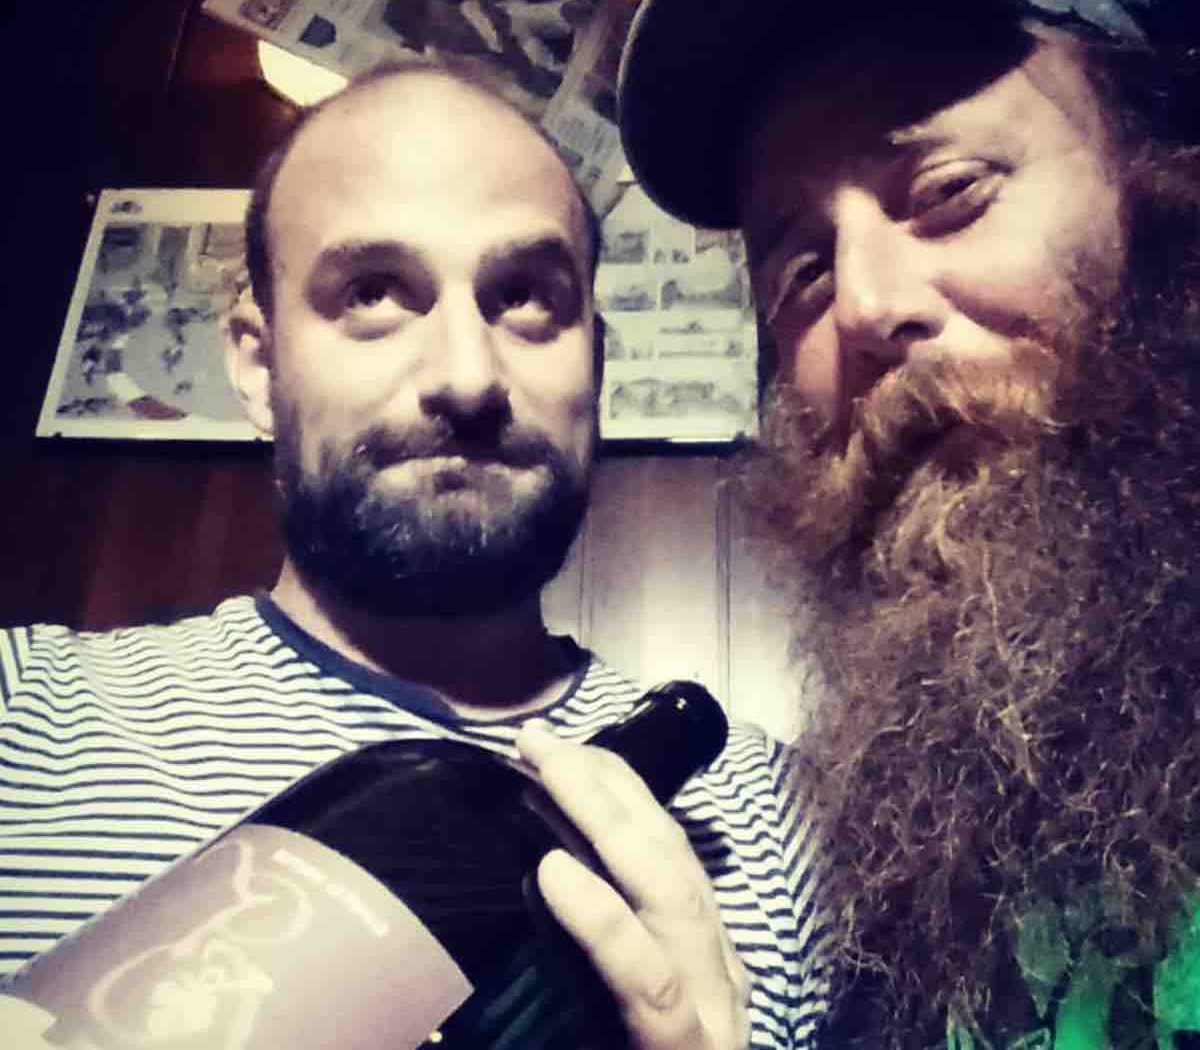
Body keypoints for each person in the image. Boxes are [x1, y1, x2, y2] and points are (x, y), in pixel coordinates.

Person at [0, 58, 831, 1048]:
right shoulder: (21, 712)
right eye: (374, 293)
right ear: (259, 367)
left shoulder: (787, 832)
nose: (468, 377)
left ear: (597, 363)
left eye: (527, 296)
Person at [617, 0, 1200, 1046]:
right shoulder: (912, 811)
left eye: (949, 190)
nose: (867, 304)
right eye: (802, 271)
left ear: (1159, 186)